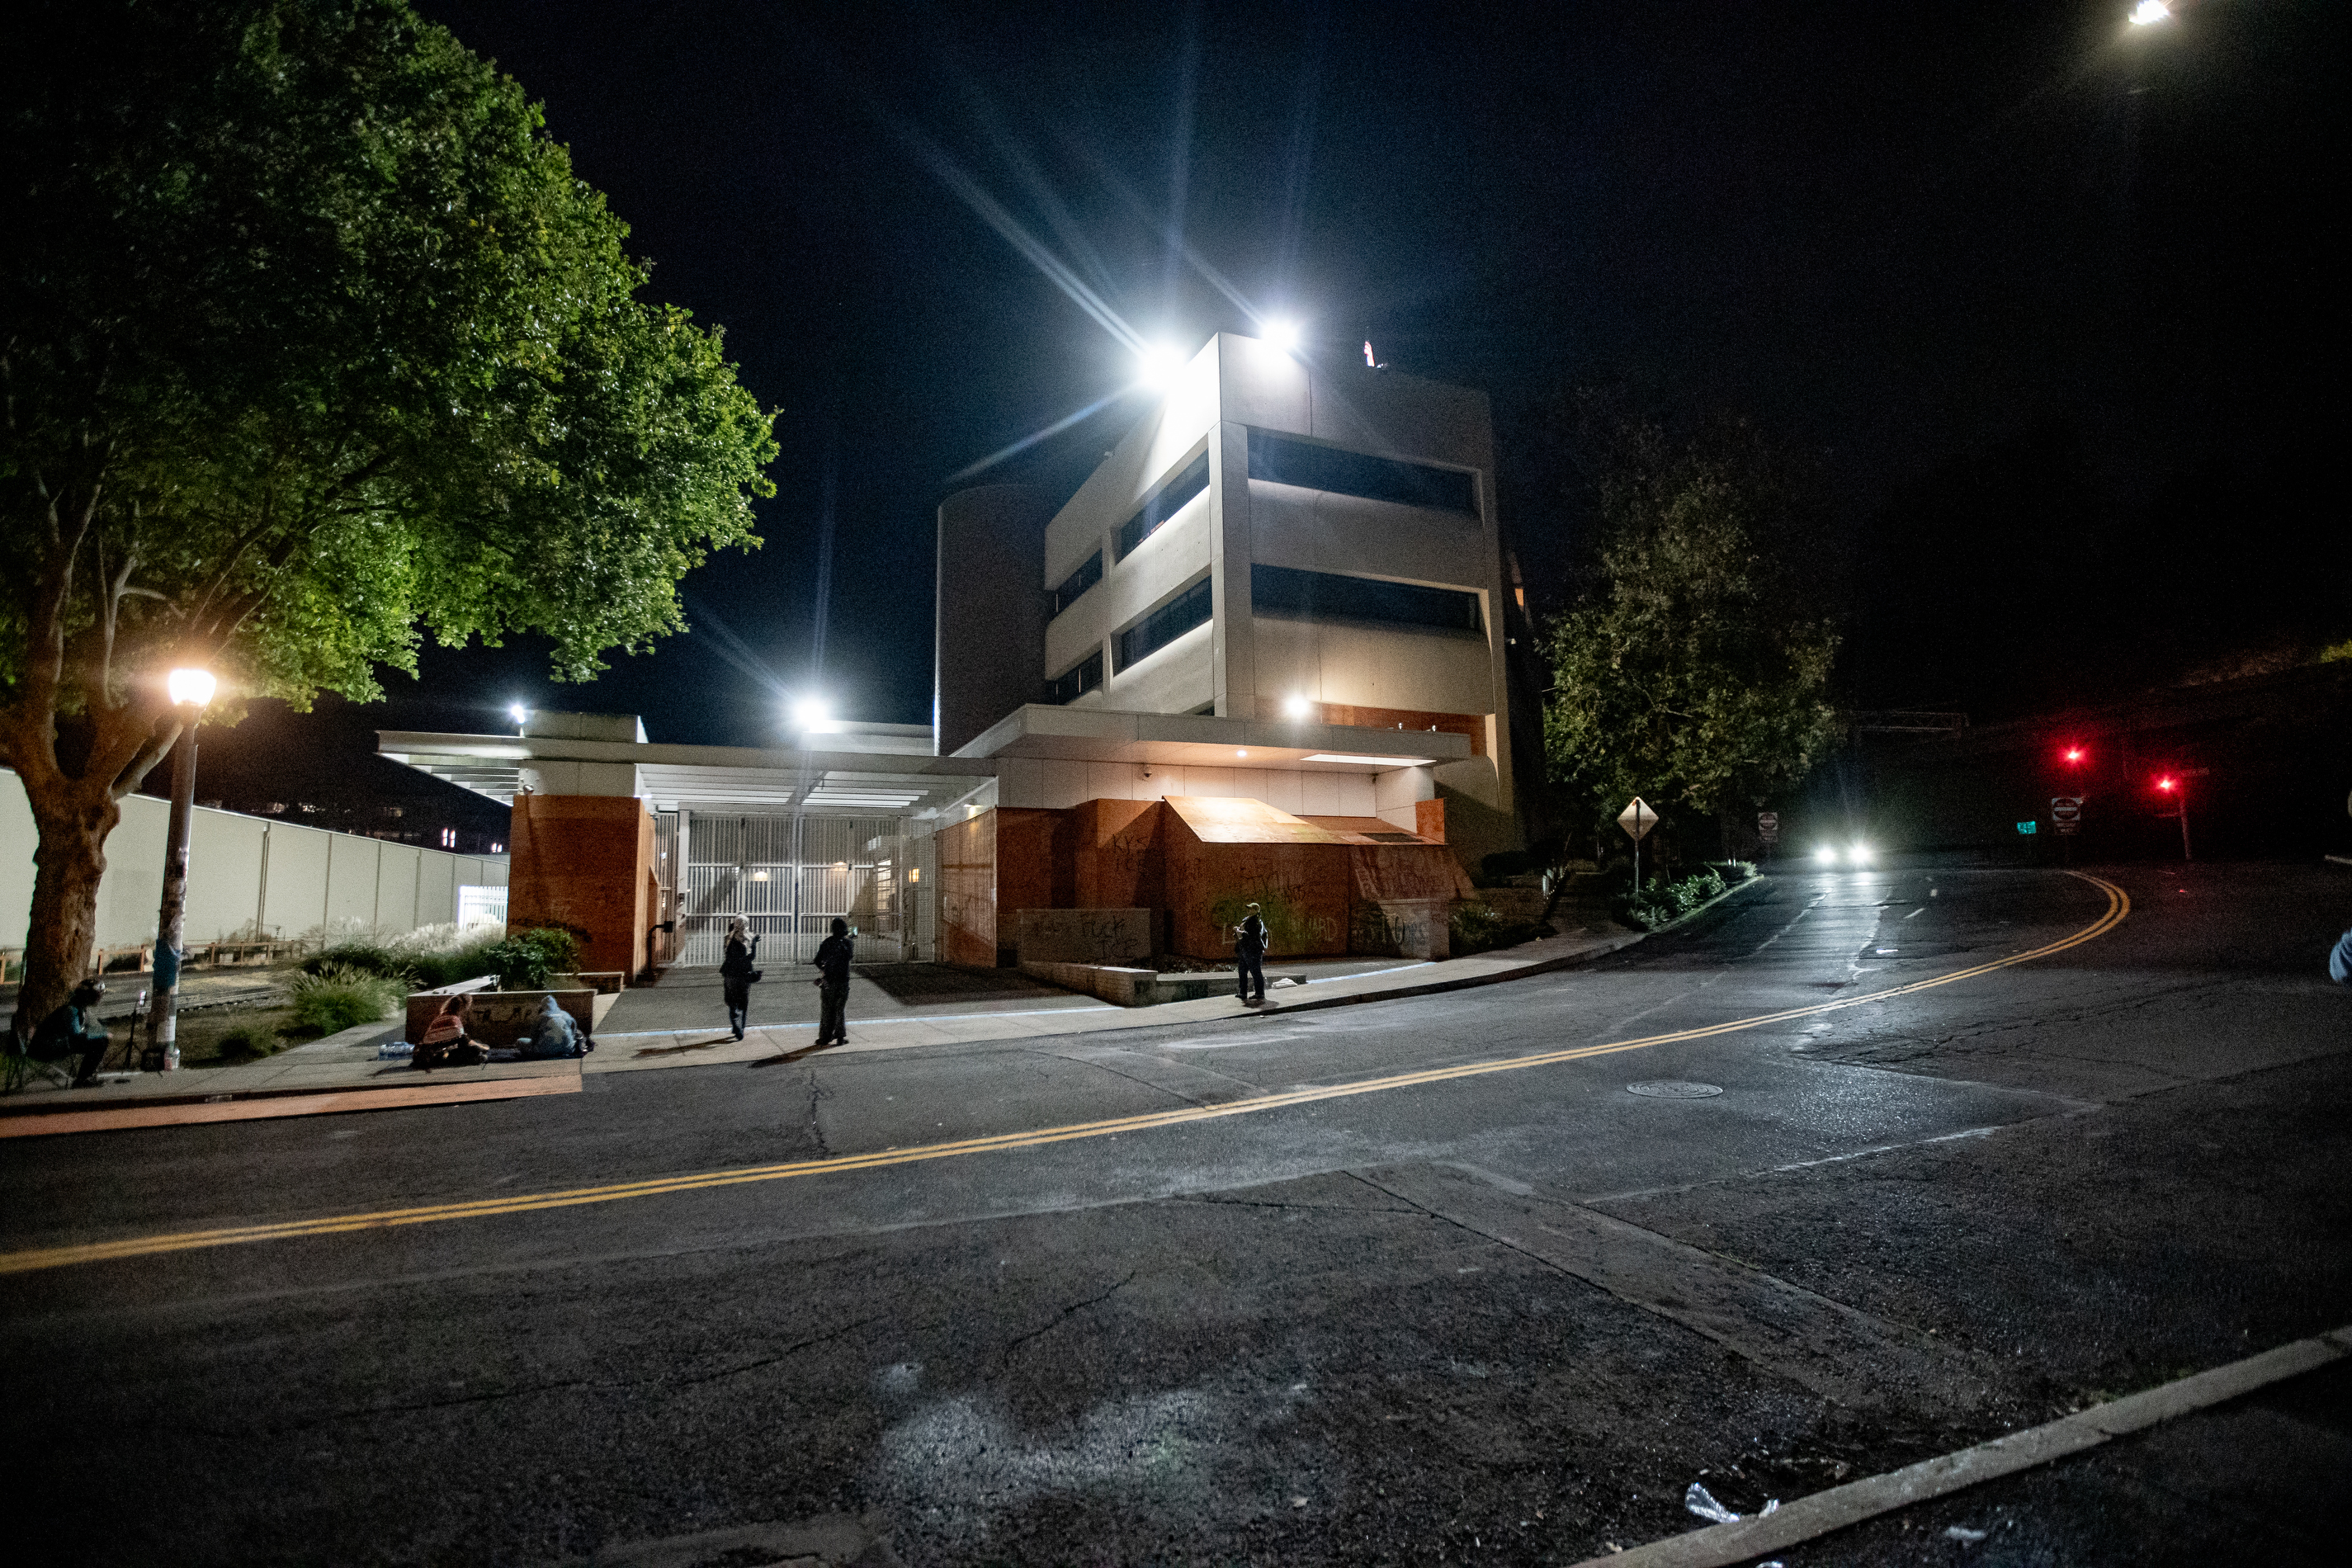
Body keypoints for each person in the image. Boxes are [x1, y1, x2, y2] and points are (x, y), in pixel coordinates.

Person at [30, 979, 113, 1088]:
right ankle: (82, 1080)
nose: (99, 998)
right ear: (87, 996)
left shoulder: (78, 1007)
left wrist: (99, 1033)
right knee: (99, 1043)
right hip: (47, 1048)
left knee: (100, 1041)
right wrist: (100, 1035)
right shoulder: (72, 1010)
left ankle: (84, 1078)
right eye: (97, 995)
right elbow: (76, 1036)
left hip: (52, 1044)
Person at [812, 917, 854, 1046]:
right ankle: (840, 1037)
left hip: (829, 980)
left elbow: (817, 960)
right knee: (839, 1009)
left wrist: (824, 970)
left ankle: (825, 1037)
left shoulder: (827, 943)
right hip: (843, 980)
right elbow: (849, 956)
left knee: (827, 1009)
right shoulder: (848, 943)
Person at [414, 993, 485, 1070]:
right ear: (463, 1007)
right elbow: (463, 1040)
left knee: (474, 1047)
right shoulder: (453, 1020)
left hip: (427, 1054)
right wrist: (481, 1047)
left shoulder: (441, 1017)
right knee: (476, 1049)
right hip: (434, 1057)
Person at [720, 915, 761, 1041]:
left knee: (732, 1001)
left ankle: (736, 1026)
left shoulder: (728, 938)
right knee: (743, 1001)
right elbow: (752, 956)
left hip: (730, 974)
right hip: (744, 974)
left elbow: (726, 953)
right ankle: (741, 1027)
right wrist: (754, 943)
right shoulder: (750, 938)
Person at [521, 992, 588, 1059]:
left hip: (544, 1051)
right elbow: (572, 1032)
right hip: (567, 1049)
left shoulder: (540, 1017)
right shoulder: (565, 1015)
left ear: (543, 1006)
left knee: (520, 1041)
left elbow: (533, 1037)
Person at [1233, 902, 1268, 1005]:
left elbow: (1254, 936)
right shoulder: (1247, 920)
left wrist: (1241, 933)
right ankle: (1243, 992)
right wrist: (1238, 932)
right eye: (1248, 909)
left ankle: (1260, 994)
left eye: (1251, 909)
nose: (1249, 911)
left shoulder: (1257, 922)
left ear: (1256, 911)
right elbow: (1245, 935)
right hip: (1245, 949)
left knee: (1256, 972)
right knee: (1242, 971)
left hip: (1253, 950)